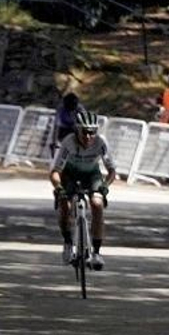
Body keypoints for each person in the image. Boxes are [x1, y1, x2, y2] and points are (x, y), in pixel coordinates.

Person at [50, 107, 116, 269]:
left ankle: (97, 253)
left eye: (92, 132)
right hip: (69, 174)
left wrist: (105, 186)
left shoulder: (101, 143)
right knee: (66, 205)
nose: (88, 136)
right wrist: (59, 188)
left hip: (91, 174)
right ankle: (67, 242)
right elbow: (55, 172)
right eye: (84, 132)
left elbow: (112, 171)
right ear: (77, 130)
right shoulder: (68, 142)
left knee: (97, 204)